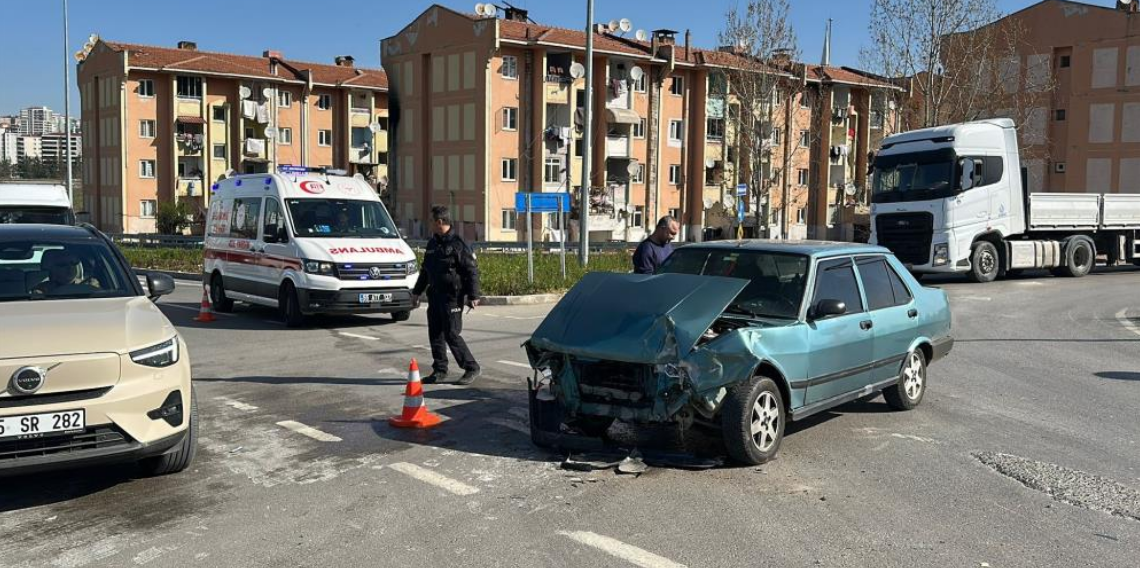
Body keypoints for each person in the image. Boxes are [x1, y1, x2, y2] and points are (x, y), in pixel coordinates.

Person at [411, 206, 482, 385]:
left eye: (431, 221)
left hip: (452, 297)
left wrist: (473, 295)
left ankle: (471, 367)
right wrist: (416, 292)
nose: (429, 224)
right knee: (435, 334)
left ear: (440, 222)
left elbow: (471, 271)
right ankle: (440, 370)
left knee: (451, 334)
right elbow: (425, 271)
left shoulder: (458, 244)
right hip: (435, 296)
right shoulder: (433, 243)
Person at [33, 249, 99, 295]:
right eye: (63, 264)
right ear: (53, 269)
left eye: (73, 263)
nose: (70, 267)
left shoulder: (88, 285)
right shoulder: (42, 289)